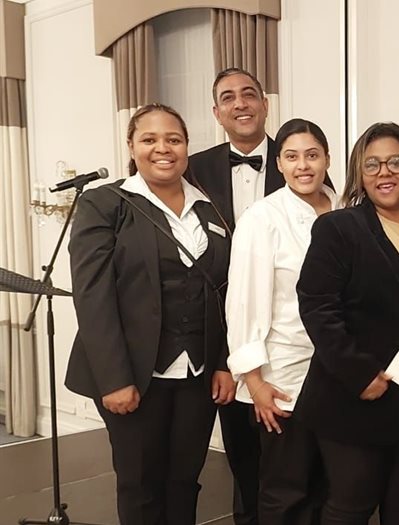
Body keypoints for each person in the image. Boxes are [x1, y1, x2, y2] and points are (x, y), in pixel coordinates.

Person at [65, 103, 234, 524]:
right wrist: (115, 378)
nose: (163, 148)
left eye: (173, 139)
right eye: (150, 139)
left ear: (187, 147)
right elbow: (93, 296)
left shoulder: (208, 207)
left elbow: (226, 293)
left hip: (197, 374)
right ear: (131, 145)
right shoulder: (106, 203)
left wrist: (223, 362)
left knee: (184, 481)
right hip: (134, 374)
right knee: (140, 484)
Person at [294, 122, 399, 524]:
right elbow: (317, 307)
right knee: (351, 504)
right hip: (355, 394)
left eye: (394, 162)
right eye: (372, 164)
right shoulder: (338, 228)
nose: (383, 172)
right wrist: (360, 374)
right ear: (359, 174)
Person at [225, 118, 339, 524]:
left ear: (327, 158)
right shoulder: (262, 217)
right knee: (286, 489)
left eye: (312, 155)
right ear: (279, 163)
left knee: (334, 488)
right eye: (292, 156)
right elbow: (242, 303)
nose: (303, 165)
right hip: (284, 375)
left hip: (341, 372)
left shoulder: (348, 208)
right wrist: (254, 382)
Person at [187, 67, 283, 525]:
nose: (240, 103)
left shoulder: (298, 157)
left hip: (287, 330)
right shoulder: (193, 167)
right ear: (217, 112)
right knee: (241, 448)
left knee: (289, 452)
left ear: (266, 103)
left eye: (250, 94)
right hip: (221, 329)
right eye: (229, 97)